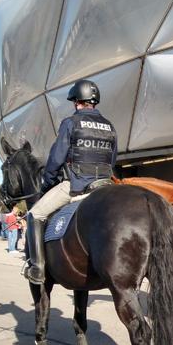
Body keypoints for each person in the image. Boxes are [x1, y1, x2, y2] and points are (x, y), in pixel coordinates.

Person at [24, 79, 117, 284]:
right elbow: (112, 159)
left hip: (77, 185)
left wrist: (48, 183)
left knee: (35, 214)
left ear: (77, 101)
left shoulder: (71, 123)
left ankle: (37, 268)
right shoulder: (109, 126)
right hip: (104, 185)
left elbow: (56, 159)